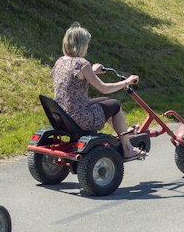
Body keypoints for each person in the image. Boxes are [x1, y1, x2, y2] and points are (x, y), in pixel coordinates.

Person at [51, 23, 145, 161]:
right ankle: (128, 149)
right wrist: (127, 81)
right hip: (79, 117)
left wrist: (92, 72)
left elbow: (72, 78)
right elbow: (104, 88)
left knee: (104, 102)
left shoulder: (60, 61)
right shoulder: (82, 63)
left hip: (61, 114)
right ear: (81, 44)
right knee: (114, 105)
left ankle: (122, 135)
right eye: (87, 44)